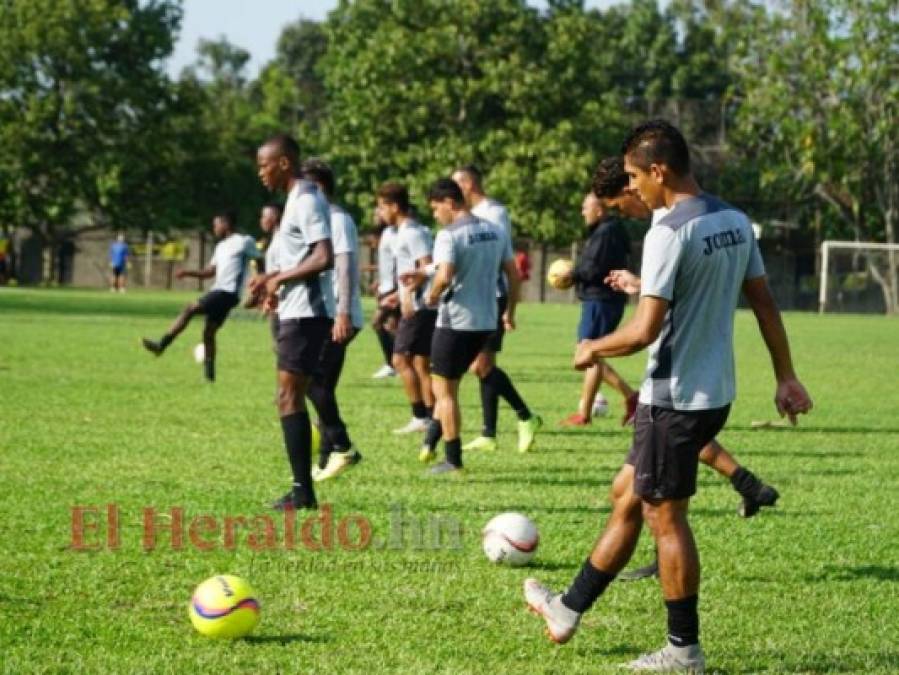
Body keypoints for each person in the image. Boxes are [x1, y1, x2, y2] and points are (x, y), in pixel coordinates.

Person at [523, 120, 813, 673]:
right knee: (628, 497)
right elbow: (764, 304)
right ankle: (566, 609)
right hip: (715, 392)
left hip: (673, 396)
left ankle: (683, 651)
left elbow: (641, 333)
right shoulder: (731, 219)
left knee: (664, 516)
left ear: (658, 170)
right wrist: (786, 376)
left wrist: (592, 348)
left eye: (634, 176)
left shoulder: (667, 231)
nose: (632, 188)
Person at [408, 177, 517, 475]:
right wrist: (510, 311)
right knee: (453, 383)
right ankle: (433, 439)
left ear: (449, 202)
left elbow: (444, 275)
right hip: (486, 320)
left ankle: (452, 459)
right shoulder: (495, 231)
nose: (434, 215)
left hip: (456, 320)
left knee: (444, 390)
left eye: (435, 208)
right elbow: (513, 274)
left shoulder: (448, 235)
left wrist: (430, 297)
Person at [251, 133, 335, 511]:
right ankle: (303, 488)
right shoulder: (293, 202)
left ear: (284, 163)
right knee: (290, 396)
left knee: (289, 396)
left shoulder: (306, 200)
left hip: (308, 314)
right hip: (296, 310)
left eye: (264, 165)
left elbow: (324, 257)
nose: (260, 173)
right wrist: (273, 285)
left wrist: (277, 279)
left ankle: (303, 491)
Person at [451, 165, 541, 453]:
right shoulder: (464, 217)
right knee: (482, 366)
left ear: (468, 185)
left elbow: (501, 258)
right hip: (475, 297)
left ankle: (526, 416)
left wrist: (509, 309)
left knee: (482, 365)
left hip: (493, 295)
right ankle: (489, 433)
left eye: (456, 185)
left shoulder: (494, 213)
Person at [559, 158, 643, 427]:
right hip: (602, 299)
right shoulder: (604, 230)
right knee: (590, 352)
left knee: (588, 351)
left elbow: (594, 266)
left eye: (587, 207)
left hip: (602, 299)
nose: (583, 211)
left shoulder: (607, 232)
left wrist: (572, 275)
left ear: (600, 209)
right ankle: (625, 400)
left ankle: (591, 411)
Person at [300, 158, 364, 482]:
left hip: (337, 315)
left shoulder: (337, 219)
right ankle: (326, 456)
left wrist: (342, 313)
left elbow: (344, 267)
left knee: (313, 382)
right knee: (323, 385)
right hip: (325, 313)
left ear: (320, 187)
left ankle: (342, 446)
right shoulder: (321, 219)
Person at [141, 212, 260, 382]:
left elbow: (259, 259)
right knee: (209, 333)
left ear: (226, 224)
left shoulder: (243, 241)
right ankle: (209, 377)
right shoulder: (221, 247)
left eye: (216, 225)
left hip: (227, 292)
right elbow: (210, 272)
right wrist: (188, 272)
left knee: (190, 308)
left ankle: (162, 344)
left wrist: (262, 282)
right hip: (221, 291)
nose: (214, 228)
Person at [376, 182, 437, 435]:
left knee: (400, 360)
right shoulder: (401, 231)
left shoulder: (412, 232)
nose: (380, 213)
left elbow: (428, 265)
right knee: (421, 363)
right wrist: (396, 294)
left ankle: (420, 416)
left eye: (381, 207)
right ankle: (433, 417)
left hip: (419, 307)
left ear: (394, 206)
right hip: (412, 302)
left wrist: (409, 296)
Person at [369, 215, 400, 379]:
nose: (372, 245)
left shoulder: (391, 239)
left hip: (394, 291)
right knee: (393, 327)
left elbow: (397, 266)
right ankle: (398, 362)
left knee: (378, 322)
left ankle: (393, 364)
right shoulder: (386, 243)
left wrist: (393, 288)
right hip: (389, 289)